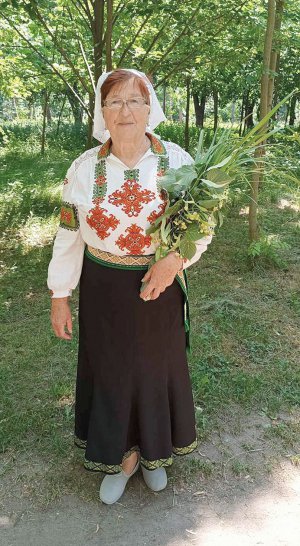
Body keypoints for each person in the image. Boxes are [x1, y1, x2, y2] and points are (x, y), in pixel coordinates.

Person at [48, 68, 213, 505]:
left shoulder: (176, 160)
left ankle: (154, 453)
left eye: (135, 100)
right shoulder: (84, 169)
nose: (125, 111)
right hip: (103, 287)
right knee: (114, 369)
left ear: (149, 107)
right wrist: (59, 295)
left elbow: (204, 223)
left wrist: (173, 261)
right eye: (115, 101)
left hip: (159, 283)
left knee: (156, 367)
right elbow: (69, 236)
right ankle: (122, 457)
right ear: (102, 111)